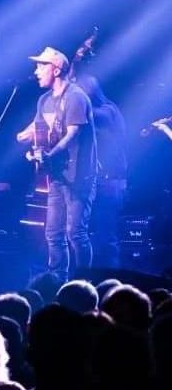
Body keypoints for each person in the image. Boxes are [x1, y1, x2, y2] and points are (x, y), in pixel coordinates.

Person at [16, 47, 97, 281]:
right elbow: (38, 126)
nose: (36, 71)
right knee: (53, 233)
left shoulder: (76, 97)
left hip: (79, 175)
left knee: (76, 233)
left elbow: (72, 133)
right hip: (57, 176)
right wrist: (24, 136)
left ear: (56, 69)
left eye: (41, 66)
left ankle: (83, 282)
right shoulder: (44, 100)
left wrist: (49, 155)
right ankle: (58, 282)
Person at [75, 73, 128, 268]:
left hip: (109, 182)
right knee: (84, 234)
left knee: (106, 237)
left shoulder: (107, 111)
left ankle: (110, 277)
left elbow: (94, 116)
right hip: (94, 181)